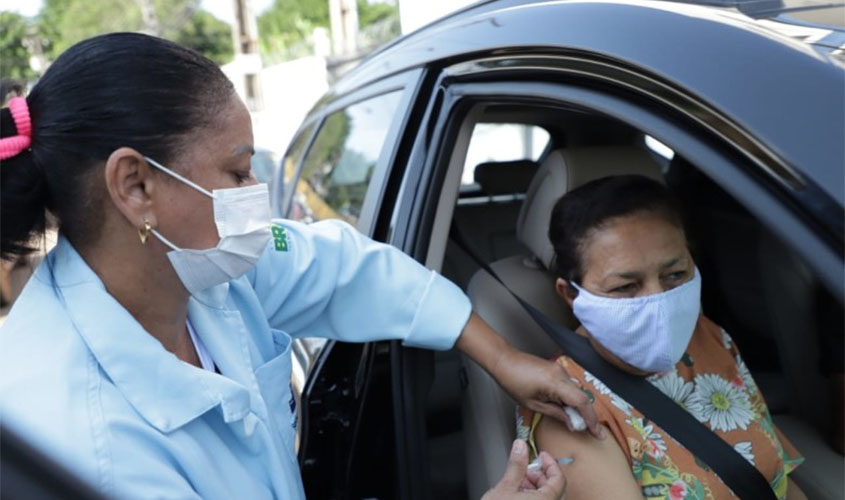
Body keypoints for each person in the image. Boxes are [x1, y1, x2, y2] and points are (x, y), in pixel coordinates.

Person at [0, 33, 588, 499]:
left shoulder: (198, 271)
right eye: (236, 173)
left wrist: (503, 356)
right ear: (135, 186)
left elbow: (342, 265)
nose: (256, 193)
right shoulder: (78, 444)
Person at [515, 175, 808, 500]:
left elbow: (779, 481)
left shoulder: (709, 338)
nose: (659, 302)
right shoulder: (568, 403)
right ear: (571, 294)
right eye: (626, 287)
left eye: (674, 275)